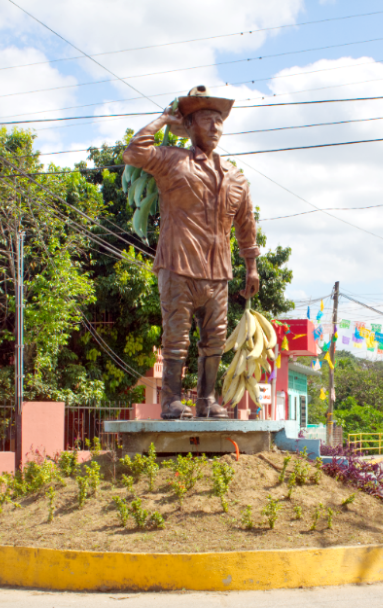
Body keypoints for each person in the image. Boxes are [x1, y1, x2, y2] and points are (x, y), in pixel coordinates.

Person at [123, 86, 260, 419]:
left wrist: (251, 267)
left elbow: (246, 223)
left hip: (217, 273)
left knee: (214, 341)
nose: (214, 128)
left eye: (218, 121)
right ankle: (170, 399)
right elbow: (134, 153)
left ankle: (206, 400)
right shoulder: (173, 161)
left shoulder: (235, 178)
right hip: (178, 265)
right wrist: (163, 120)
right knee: (177, 339)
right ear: (190, 126)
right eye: (206, 120)